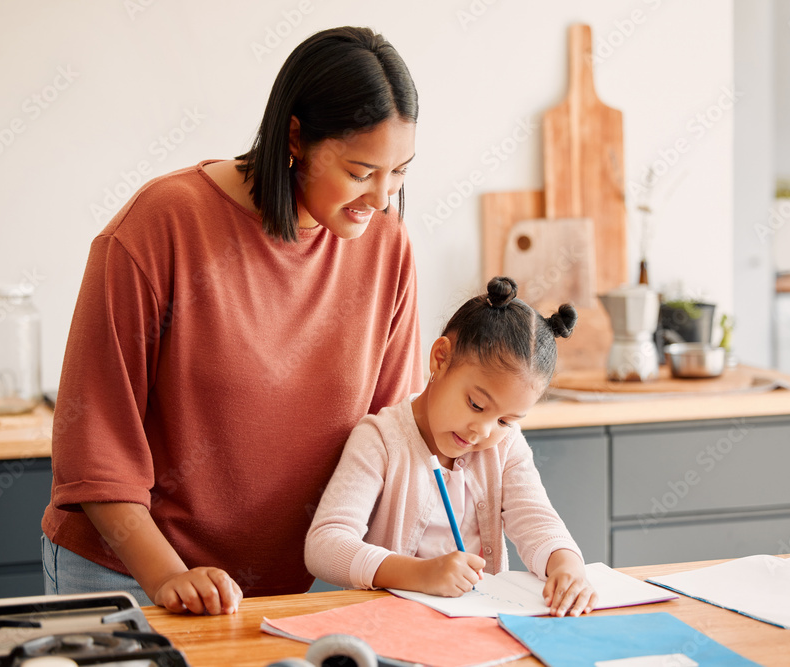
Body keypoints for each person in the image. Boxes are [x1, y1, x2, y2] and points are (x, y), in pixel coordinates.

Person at [41, 26, 423, 616]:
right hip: (129, 576)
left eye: (399, 172)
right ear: (296, 135)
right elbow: (95, 446)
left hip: (293, 589)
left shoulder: (386, 247)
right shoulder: (160, 226)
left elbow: (388, 435)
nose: (380, 198)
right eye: (360, 171)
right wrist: (169, 576)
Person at [305, 276, 599, 617]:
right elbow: (324, 546)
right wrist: (419, 574)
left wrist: (567, 566)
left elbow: (536, 519)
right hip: (390, 627)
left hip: (476, 626)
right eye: (476, 404)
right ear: (440, 358)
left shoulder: (504, 448)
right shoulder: (380, 440)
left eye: (505, 420)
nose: (483, 431)